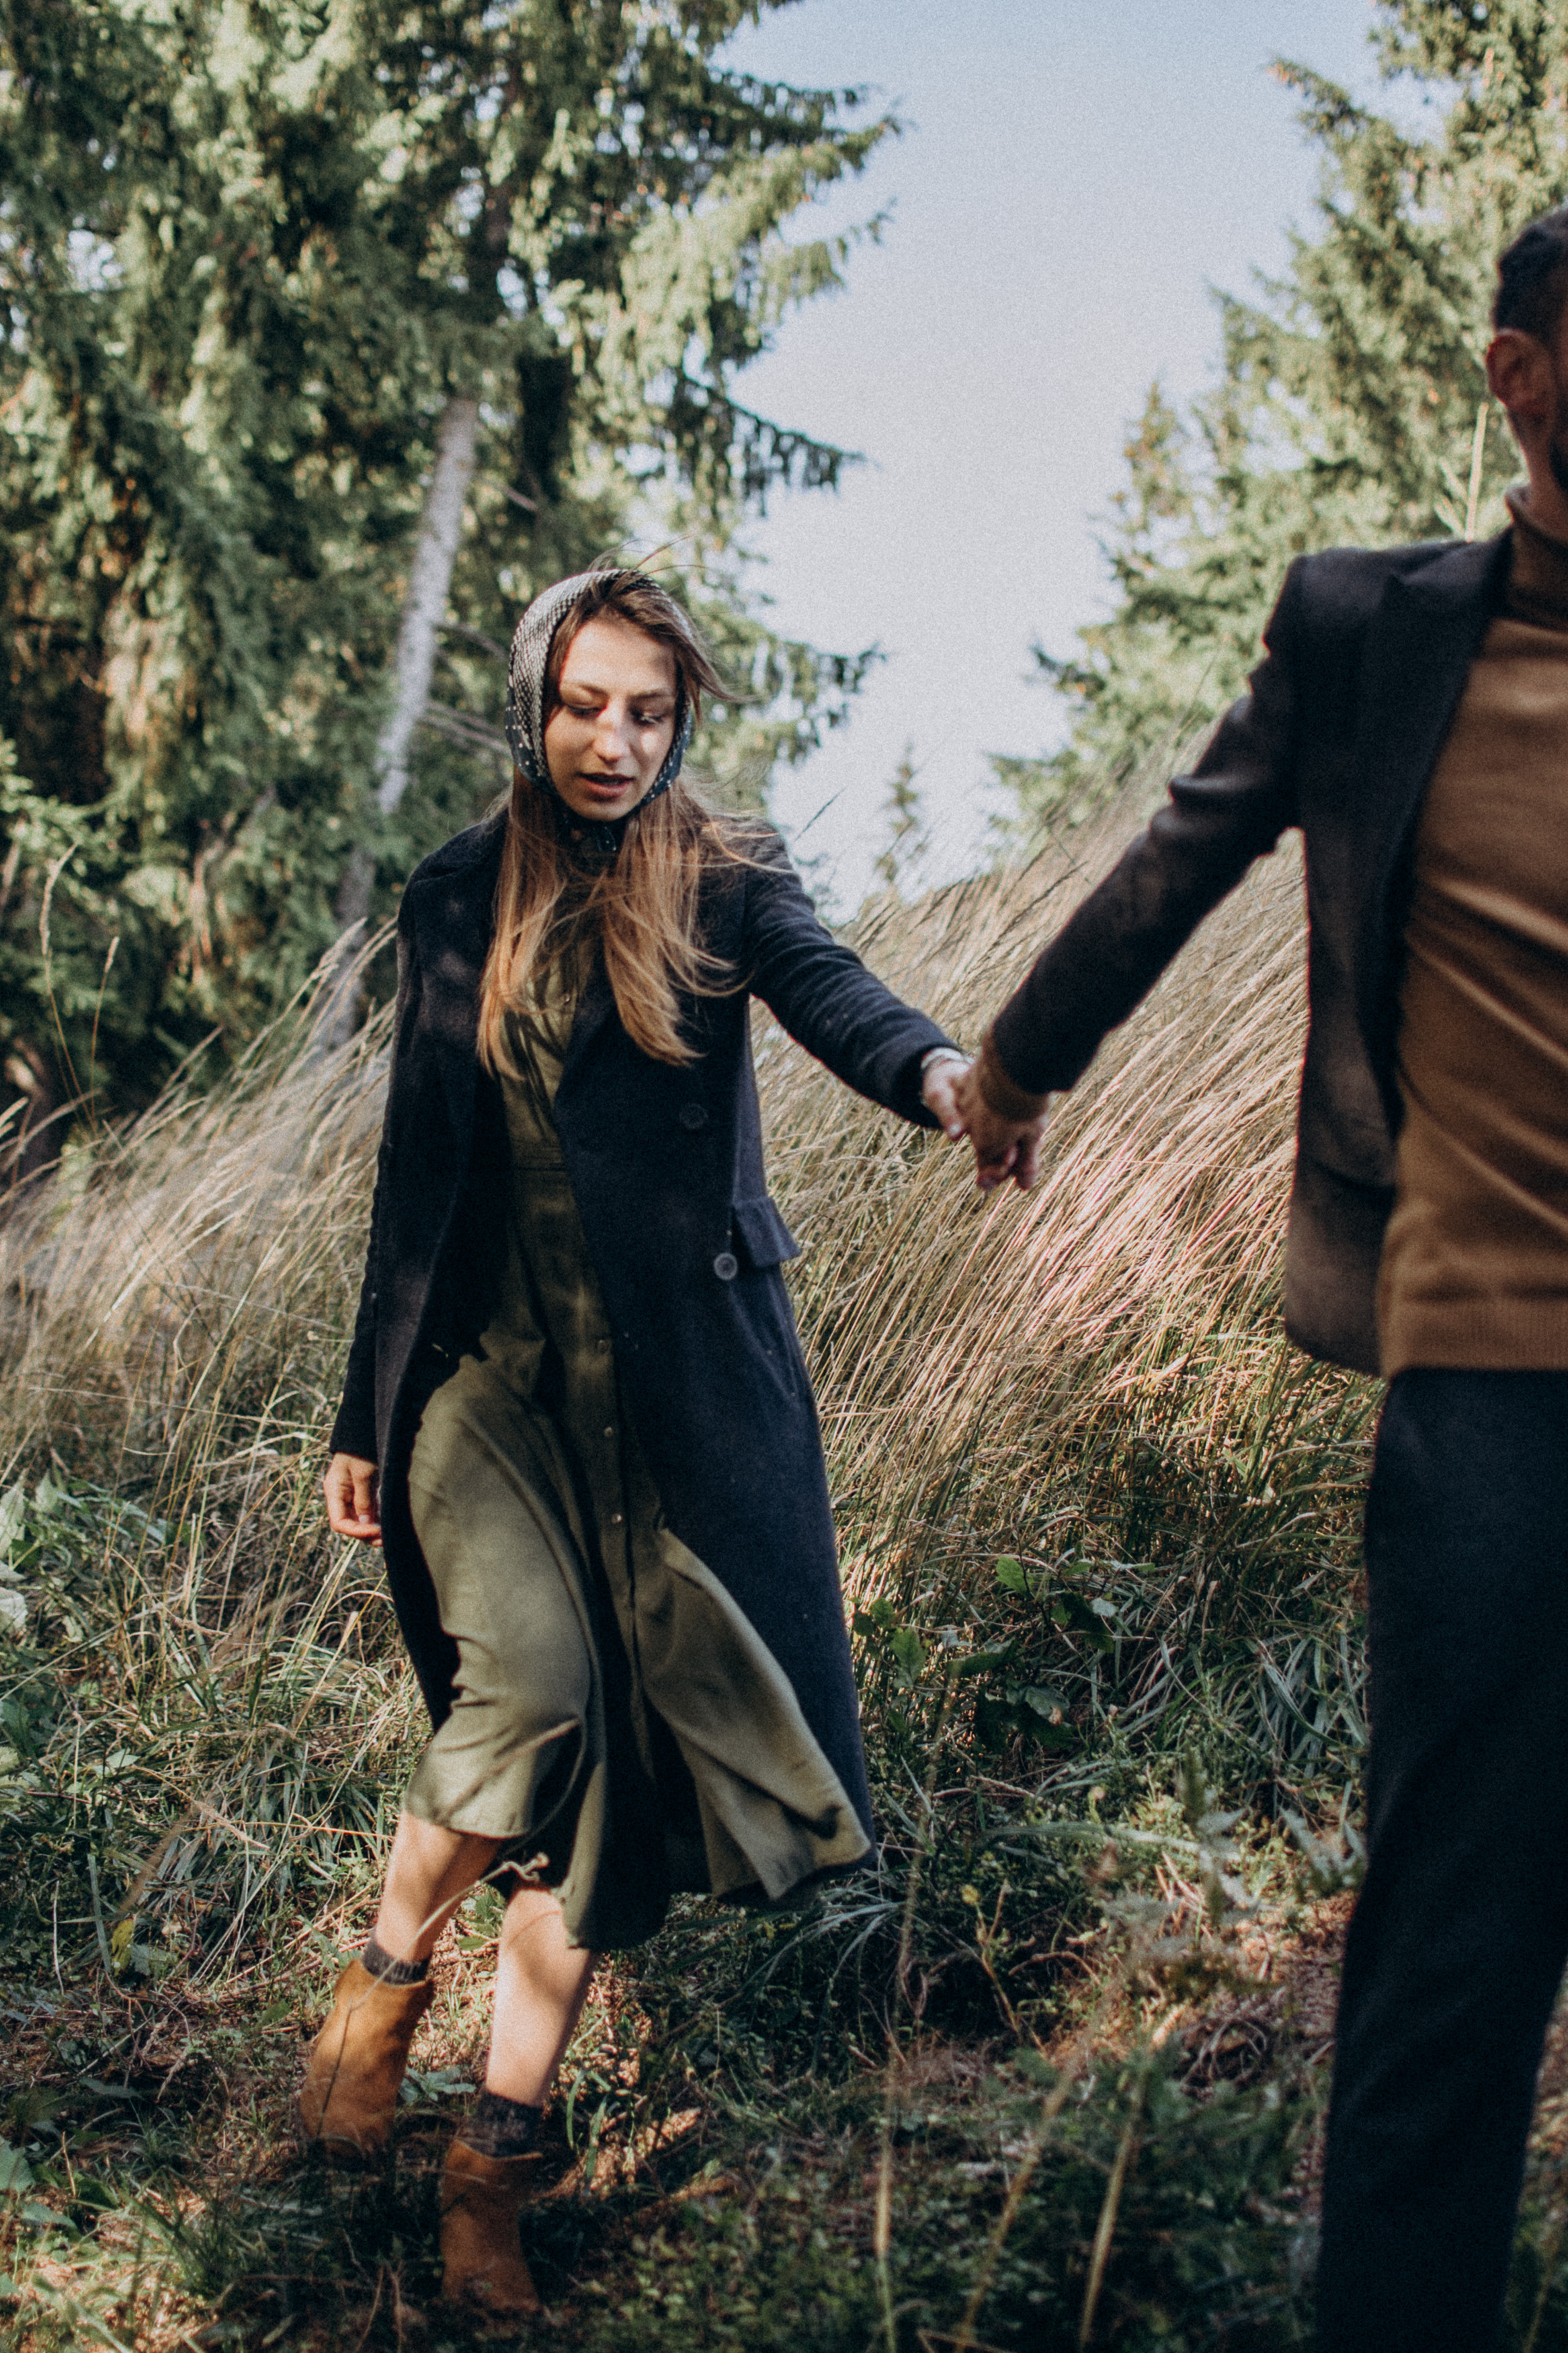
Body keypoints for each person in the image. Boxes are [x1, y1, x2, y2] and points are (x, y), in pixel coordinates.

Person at [953, 204, 1568, 2352]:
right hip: (1492, 1390)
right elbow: (1175, 854)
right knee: (1457, 1942)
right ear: (1521, 376)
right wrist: (1014, 1062)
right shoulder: (1377, 630)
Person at [298, 567, 968, 2316]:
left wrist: (946, 1075)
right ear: (539, 703)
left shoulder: (726, 877)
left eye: (648, 711)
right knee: (530, 1698)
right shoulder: (461, 886)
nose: (614, 739)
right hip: (484, 1387)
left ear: (683, 720)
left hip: (672, 1397)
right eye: (587, 704)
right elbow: (413, 1168)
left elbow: (840, 998)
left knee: (615, 1804)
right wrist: (363, 1405)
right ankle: (381, 1983)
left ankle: (487, 2173)